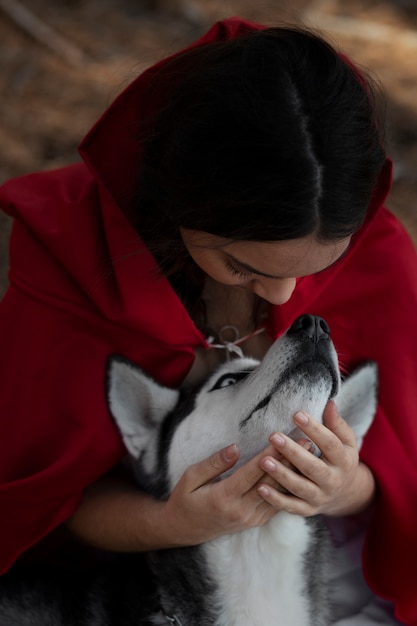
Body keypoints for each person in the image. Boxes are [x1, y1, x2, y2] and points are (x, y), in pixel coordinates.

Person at [0, 15, 416, 625]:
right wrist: (169, 522)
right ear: (179, 204)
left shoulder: (381, 261)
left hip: (337, 574)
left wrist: (345, 487)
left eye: (322, 262)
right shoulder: (71, 276)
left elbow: (401, 473)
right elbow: (40, 503)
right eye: (242, 264)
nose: (287, 294)